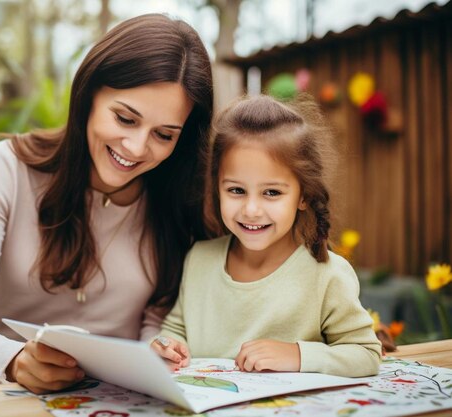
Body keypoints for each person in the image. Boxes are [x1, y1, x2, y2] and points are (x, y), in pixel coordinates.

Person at [0, 12, 215, 403]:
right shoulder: (8, 168)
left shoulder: (176, 199)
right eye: (125, 118)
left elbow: (155, 323)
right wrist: (15, 360)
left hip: (109, 397)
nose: (137, 147)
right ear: (89, 94)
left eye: (164, 135)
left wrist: (158, 351)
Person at [151, 94, 382, 378]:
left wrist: (296, 355)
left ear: (304, 196)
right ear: (217, 188)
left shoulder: (326, 275)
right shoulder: (199, 258)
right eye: (236, 190)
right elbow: (177, 328)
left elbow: (366, 355)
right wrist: (170, 346)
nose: (251, 210)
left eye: (271, 192)